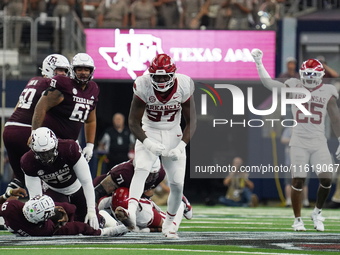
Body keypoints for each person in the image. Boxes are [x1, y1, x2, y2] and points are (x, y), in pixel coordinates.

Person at [251, 49, 340, 232]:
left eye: (313, 74)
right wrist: (259, 64)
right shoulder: (293, 85)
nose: (309, 77)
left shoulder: (328, 90)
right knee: (298, 180)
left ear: (321, 75)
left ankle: (317, 212)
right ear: (301, 74)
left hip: (318, 141)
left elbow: (335, 117)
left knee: (327, 179)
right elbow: (269, 84)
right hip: (298, 140)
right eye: (307, 74)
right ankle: (298, 219)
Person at [127, 53, 196, 238]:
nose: (162, 80)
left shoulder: (184, 84)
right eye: (157, 77)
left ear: (173, 74)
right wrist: (147, 143)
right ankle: (131, 212)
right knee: (141, 168)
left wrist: (181, 146)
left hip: (174, 132)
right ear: (151, 75)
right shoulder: (142, 85)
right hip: (149, 129)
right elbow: (133, 122)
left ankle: (170, 225)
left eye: (165, 76)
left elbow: (192, 121)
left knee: (177, 183)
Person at [3, 54, 70, 189]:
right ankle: (47, 206)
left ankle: (6, 208)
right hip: (25, 131)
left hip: (9, 129)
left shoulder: (33, 80)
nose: (62, 74)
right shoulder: (51, 85)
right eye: (59, 70)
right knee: (49, 175)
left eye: (65, 70)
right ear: (48, 69)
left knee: (19, 180)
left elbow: (17, 106)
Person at [21, 127, 99, 230]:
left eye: (49, 152)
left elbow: (86, 181)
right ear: (34, 151)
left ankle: (111, 223)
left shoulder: (69, 148)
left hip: (76, 187)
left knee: (94, 221)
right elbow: (36, 197)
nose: (46, 157)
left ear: (56, 146)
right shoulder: (28, 161)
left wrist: (92, 210)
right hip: (54, 191)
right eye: (42, 154)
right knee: (59, 225)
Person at [30, 53, 99, 162]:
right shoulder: (64, 84)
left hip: (71, 142)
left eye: (86, 69)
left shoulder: (93, 88)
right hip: (51, 142)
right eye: (79, 69)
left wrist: (90, 145)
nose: (83, 73)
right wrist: (34, 133)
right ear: (72, 70)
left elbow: (90, 120)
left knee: (80, 175)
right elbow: (40, 107)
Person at [0, 194, 128, 237]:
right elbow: (75, 226)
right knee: (80, 225)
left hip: (27, 224)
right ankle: (106, 231)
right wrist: (60, 223)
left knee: (69, 209)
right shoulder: (45, 229)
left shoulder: (11, 208)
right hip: (50, 225)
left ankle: (102, 219)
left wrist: (7, 195)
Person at [112, 187, 192, 233]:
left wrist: (148, 229)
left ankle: (181, 202)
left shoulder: (146, 214)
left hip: (148, 210)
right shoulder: (109, 202)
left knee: (172, 227)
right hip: (140, 203)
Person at [93, 158, 166, 205]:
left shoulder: (160, 174)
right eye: (145, 173)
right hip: (107, 195)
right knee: (122, 195)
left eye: (152, 174)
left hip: (130, 198)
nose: (149, 177)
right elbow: (97, 192)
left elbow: (147, 195)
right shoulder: (124, 173)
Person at [281, 127, 310, 208]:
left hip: (303, 161)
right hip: (290, 162)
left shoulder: (306, 130)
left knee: (304, 183)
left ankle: (305, 201)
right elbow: (283, 139)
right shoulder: (290, 129)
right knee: (289, 182)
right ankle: (289, 200)